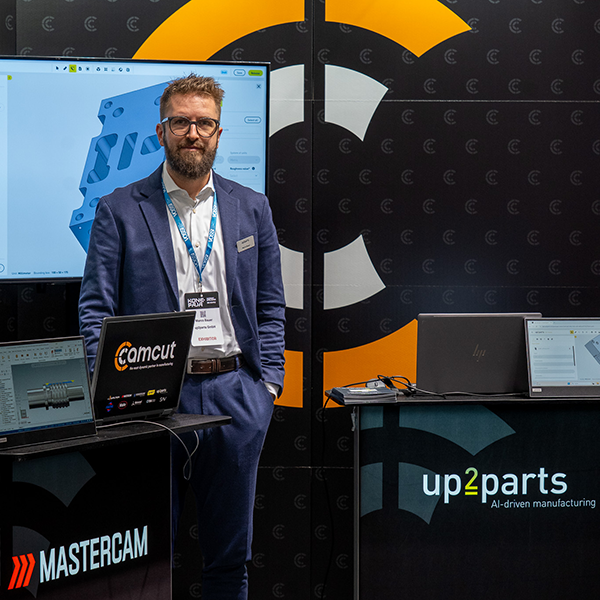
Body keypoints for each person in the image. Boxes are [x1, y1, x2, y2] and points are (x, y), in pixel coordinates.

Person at [79, 74, 286, 599]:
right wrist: (113, 397)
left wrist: (267, 387)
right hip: (151, 401)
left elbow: (270, 307)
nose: (193, 133)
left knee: (229, 562)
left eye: (204, 123)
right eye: (181, 122)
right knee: (149, 561)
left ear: (218, 133)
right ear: (161, 131)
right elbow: (95, 311)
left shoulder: (252, 207)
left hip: (235, 396)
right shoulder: (119, 208)